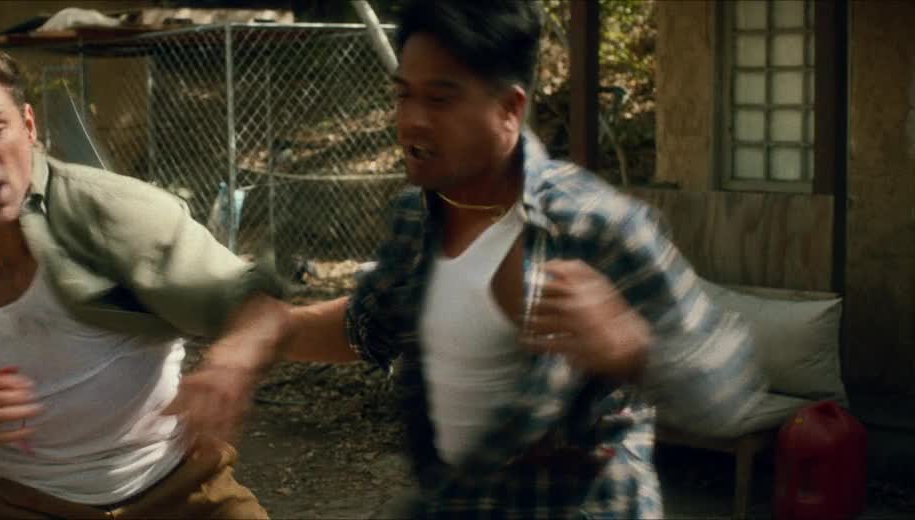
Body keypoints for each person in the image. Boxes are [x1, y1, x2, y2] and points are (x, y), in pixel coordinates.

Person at [246, 1, 767, 517]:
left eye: (441, 99)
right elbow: (369, 326)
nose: (412, 121)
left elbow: (725, 391)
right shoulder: (415, 217)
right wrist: (262, 334)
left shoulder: (593, 225)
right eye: (404, 95)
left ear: (510, 109)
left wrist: (630, 347)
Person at [0, 42, 287, 519]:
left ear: (29, 127)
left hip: (183, 488)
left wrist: (230, 362)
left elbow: (259, 305)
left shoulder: (114, 213)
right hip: (31, 506)